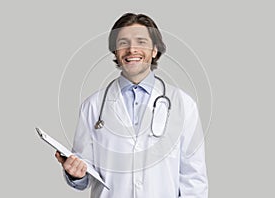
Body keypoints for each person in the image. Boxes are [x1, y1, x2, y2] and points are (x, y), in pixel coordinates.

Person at [55, 13, 208, 198]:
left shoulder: (183, 104)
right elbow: (85, 174)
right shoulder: (93, 106)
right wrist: (75, 174)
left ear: (154, 50)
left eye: (141, 42)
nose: (132, 49)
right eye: (123, 43)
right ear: (115, 52)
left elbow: (194, 180)